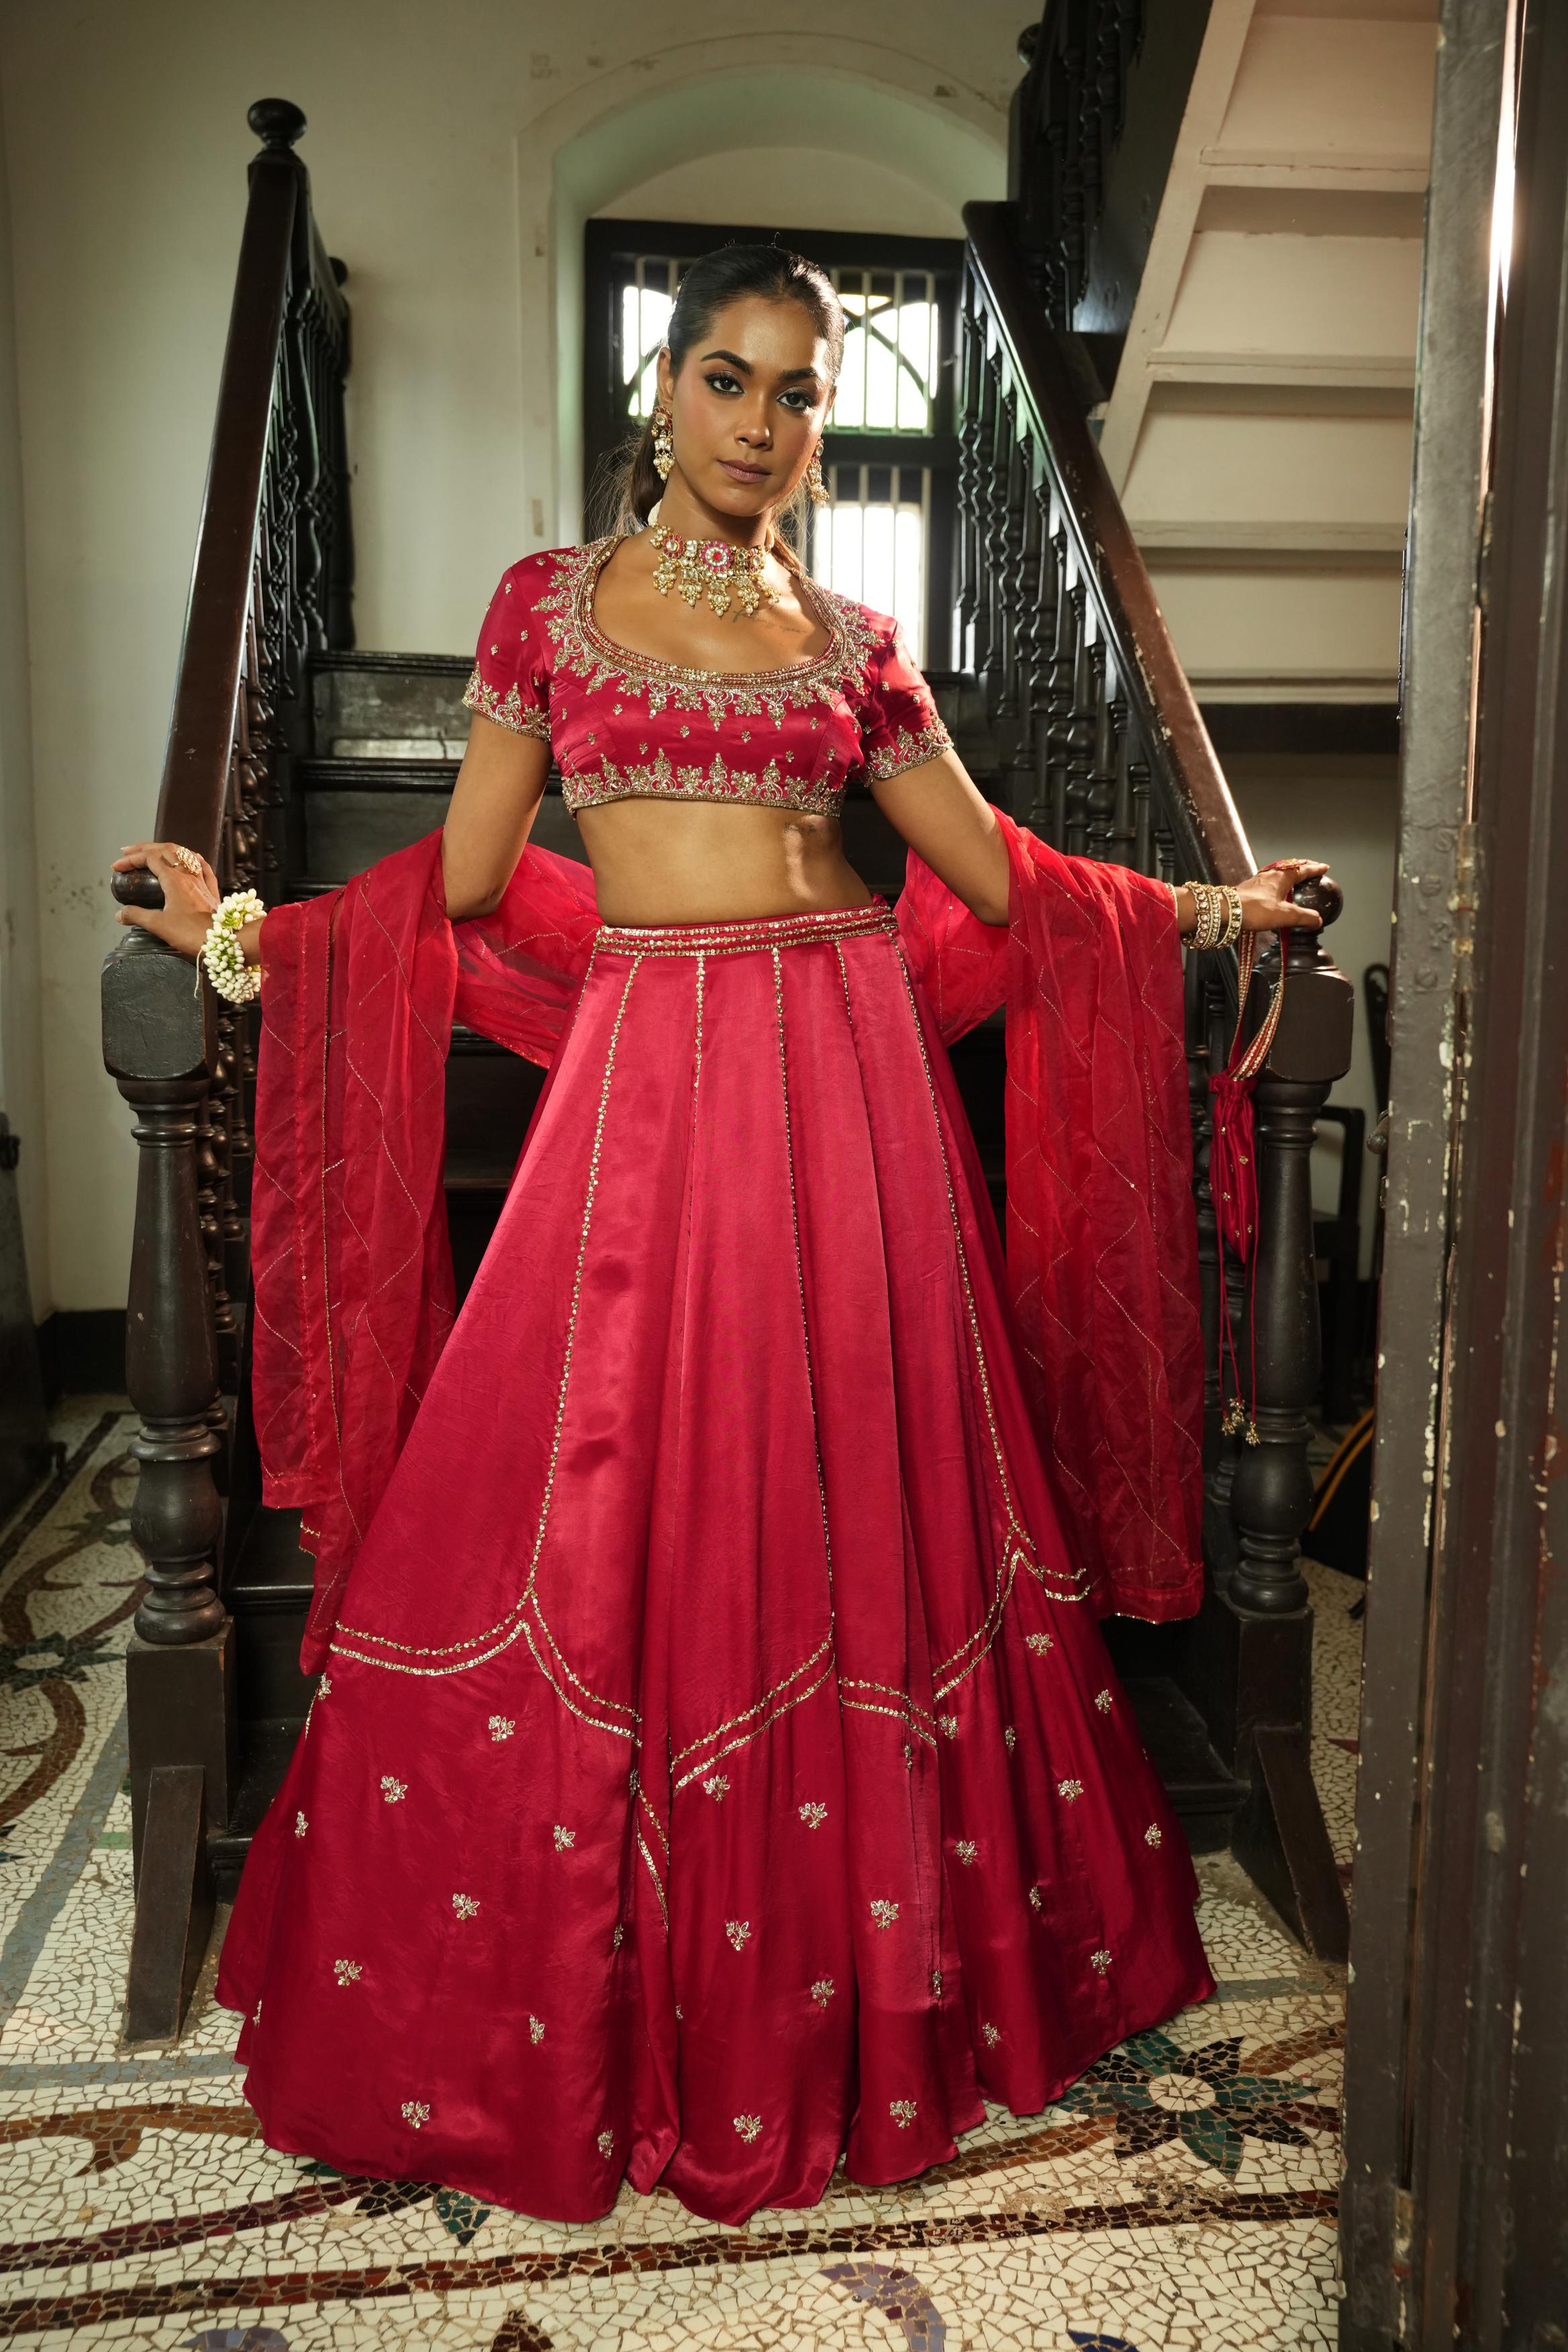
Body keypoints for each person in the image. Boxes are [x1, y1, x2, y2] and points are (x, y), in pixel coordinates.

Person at [114, 244, 1326, 2228]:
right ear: (661, 394)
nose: (767, 426)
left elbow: (988, 877)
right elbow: (480, 872)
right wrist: (249, 937)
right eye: (734, 384)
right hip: (658, 1080)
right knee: (610, 1488)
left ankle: (882, 1986)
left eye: (800, 397)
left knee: (877, 1483)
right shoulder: (549, 611)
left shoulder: (856, 638)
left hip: (857, 1074)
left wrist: (1202, 916)